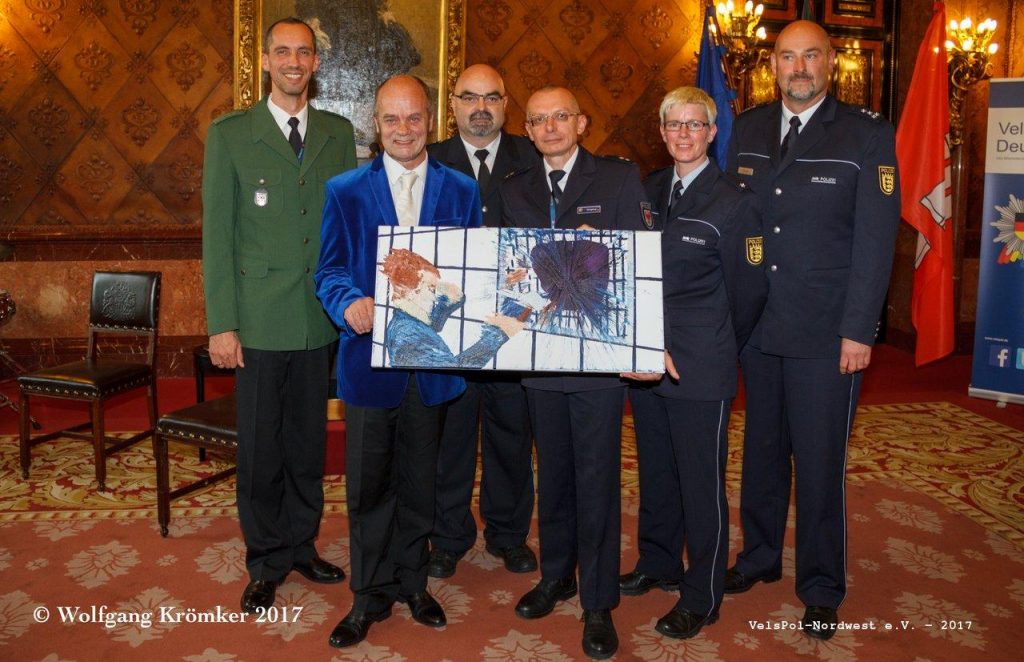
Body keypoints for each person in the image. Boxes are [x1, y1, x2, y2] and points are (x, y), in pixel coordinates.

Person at [725, 20, 900, 639]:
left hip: (827, 332)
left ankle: (822, 585)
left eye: (810, 56)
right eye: (787, 57)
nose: (798, 68)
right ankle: (760, 556)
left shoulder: (866, 134)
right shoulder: (746, 128)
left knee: (820, 461)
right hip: (759, 326)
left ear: (831, 62)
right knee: (762, 449)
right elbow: (737, 221)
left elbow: (876, 240)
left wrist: (860, 329)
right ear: (772, 64)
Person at [314, 75, 482, 649]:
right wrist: (347, 303)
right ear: (376, 124)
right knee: (368, 486)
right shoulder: (345, 190)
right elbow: (329, 270)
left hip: (432, 364)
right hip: (369, 364)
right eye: (392, 119)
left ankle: (413, 583)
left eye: (413, 118)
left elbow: (472, 271)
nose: (403, 130)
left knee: (419, 481)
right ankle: (368, 593)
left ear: (430, 121)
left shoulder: (461, 190)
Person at [201, 17, 356, 615]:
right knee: (262, 448)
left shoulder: (337, 133)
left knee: (307, 443)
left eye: (304, 52)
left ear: (316, 63)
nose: (294, 61)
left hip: (318, 317)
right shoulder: (231, 134)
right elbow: (219, 236)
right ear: (265, 60)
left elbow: (346, 226)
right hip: (259, 319)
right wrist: (222, 323)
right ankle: (265, 559)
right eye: (283, 51)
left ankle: (301, 544)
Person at [500, 86, 648, 661]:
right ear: (528, 130)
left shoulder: (617, 179)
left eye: (560, 116)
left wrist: (601, 254)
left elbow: (639, 261)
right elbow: (508, 270)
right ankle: (557, 575)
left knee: (596, 476)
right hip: (540, 354)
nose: (550, 127)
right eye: (538, 120)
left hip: (598, 357)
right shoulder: (515, 189)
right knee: (554, 473)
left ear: (582, 123)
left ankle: (599, 600)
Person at [620, 87, 766, 640]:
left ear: (712, 132)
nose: (684, 134)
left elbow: (748, 294)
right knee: (657, 473)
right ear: (662, 132)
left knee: (702, 485)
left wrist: (712, 344)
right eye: (674, 125)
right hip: (645, 359)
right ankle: (658, 561)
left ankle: (702, 595)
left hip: (701, 365)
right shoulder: (647, 190)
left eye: (694, 125)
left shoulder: (735, 201)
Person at [425, 64, 540, 579]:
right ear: (452, 105)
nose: (480, 108)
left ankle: (508, 534)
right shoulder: (431, 160)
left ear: (506, 105)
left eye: (491, 97)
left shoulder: (532, 156)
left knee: (511, 434)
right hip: (452, 327)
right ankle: (448, 536)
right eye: (469, 97)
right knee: (449, 438)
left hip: (513, 325)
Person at [380, 247, 524, 368]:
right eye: (431, 288)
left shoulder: (407, 319)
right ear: (410, 291)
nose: (434, 297)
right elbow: (455, 367)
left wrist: (450, 295)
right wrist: (500, 334)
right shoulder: (407, 334)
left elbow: (433, 325)